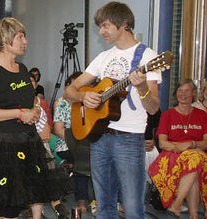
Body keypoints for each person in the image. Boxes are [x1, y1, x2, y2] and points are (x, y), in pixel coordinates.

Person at [0, 17, 66, 219]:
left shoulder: (22, 70)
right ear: (5, 41)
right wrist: (18, 113)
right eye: (20, 37)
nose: (25, 42)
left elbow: (28, 100)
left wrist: (34, 110)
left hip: (27, 144)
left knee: (22, 201)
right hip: (2, 147)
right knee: (1, 207)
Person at [64, 2, 161, 218]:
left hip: (129, 138)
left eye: (106, 26)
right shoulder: (103, 58)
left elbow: (154, 107)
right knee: (104, 206)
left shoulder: (147, 57)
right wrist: (83, 96)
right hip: (99, 137)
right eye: (100, 26)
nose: (101, 31)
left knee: (133, 206)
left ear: (123, 24)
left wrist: (142, 86)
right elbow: (69, 91)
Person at [148, 80, 207, 219]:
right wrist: (180, 148)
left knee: (194, 161)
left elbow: (206, 142)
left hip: (196, 154)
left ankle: (178, 206)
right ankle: (191, 213)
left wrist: (191, 145)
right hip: (171, 156)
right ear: (176, 94)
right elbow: (162, 143)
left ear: (193, 94)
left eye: (187, 91)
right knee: (195, 161)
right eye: (180, 90)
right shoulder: (167, 115)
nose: (183, 94)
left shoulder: (203, 115)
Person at [52, 72, 90, 212]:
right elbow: (58, 129)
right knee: (81, 158)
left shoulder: (89, 103)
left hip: (88, 144)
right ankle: (81, 200)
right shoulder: (63, 104)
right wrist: (77, 144)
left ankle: (106, 200)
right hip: (67, 143)